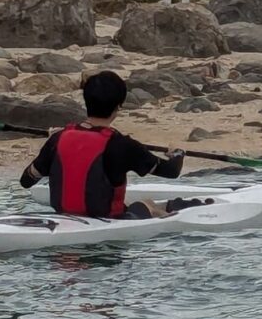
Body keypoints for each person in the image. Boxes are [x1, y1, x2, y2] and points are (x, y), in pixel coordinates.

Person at [19, 71, 189, 218]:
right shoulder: (123, 145)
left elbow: (26, 180)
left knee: (139, 205)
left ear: (86, 101)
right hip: (110, 220)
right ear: (119, 106)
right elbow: (171, 171)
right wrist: (177, 153)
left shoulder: (57, 139)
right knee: (148, 205)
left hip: (65, 218)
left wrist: (53, 144)